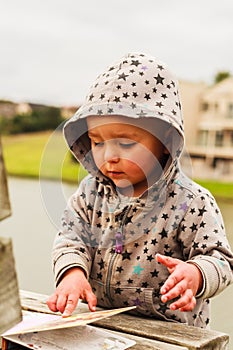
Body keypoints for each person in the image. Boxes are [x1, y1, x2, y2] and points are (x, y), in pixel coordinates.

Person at [47, 52, 233, 327]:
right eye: (97, 142)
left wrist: (196, 274)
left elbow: (222, 261)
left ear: (166, 140)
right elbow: (70, 238)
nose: (109, 156)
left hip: (169, 336)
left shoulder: (191, 202)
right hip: (102, 327)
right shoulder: (90, 194)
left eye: (125, 144)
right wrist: (72, 273)